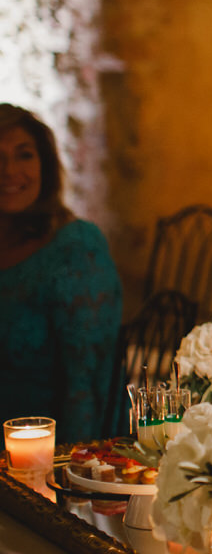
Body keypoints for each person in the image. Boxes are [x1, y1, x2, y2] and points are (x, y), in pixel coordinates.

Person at [0, 104, 122, 443]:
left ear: (46, 166)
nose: (9, 170)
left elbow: (88, 386)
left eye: (24, 155)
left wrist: (71, 479)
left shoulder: (76, 248)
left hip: (42, 459)